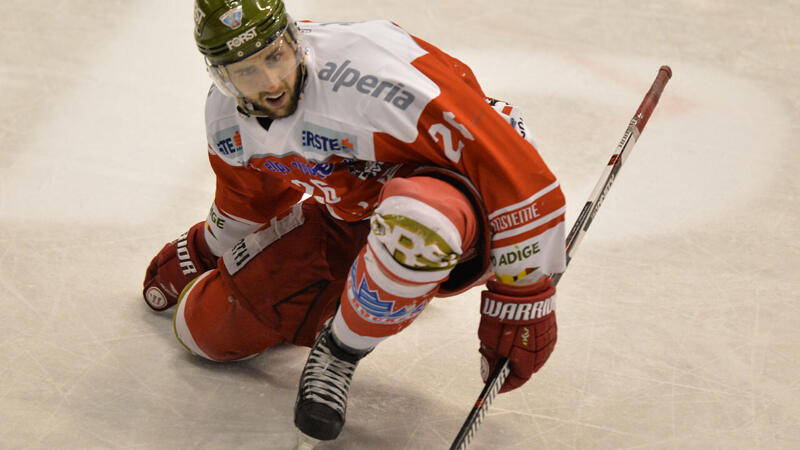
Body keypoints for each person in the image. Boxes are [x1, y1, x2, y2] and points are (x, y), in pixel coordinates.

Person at [143, 0, 566, 442]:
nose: (270, 83)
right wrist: (201, 248)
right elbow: (247, 202)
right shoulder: (225, 119)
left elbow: (514, 172)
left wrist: (523, 294)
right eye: (247, 71)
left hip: (463, 199)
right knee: (205, 329)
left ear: (292, 38)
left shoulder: (376, 77)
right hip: (355, 216)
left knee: (417, 228)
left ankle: (340, 349)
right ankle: (387, 286)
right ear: (220, 75)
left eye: (274, 56)